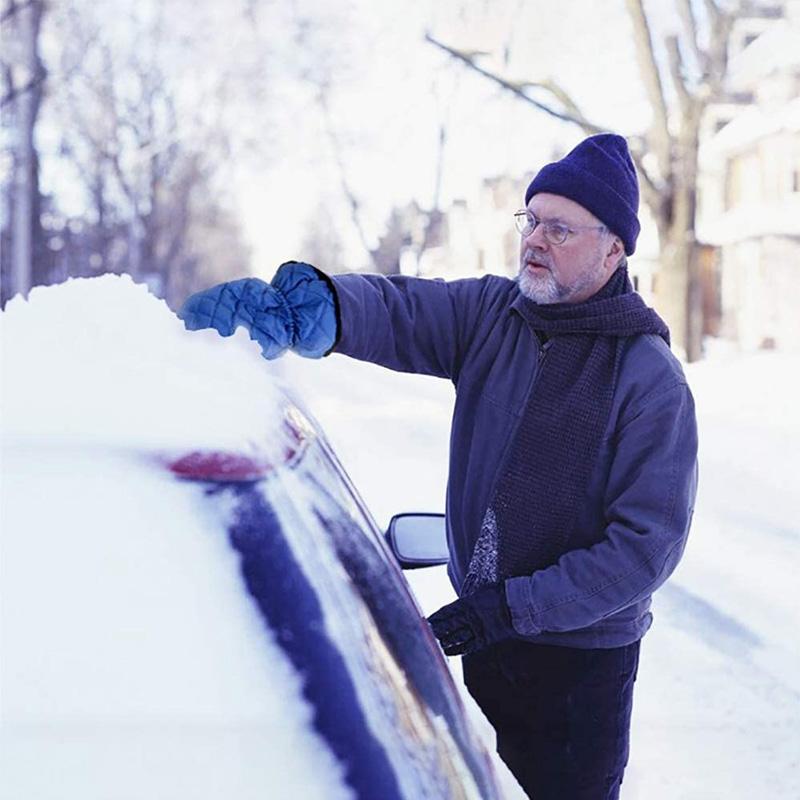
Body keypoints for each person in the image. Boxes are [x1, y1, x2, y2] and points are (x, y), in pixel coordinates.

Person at [180, 133, 699, 799]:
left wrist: (514, 608)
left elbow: (643, 550)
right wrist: (308, 310)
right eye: (531, 220)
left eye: (560, 228)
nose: (534, 240)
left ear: (613, 249)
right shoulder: (493, 314)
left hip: (577, 675)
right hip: (485, 643)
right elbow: (397, 310)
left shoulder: (647, 378)